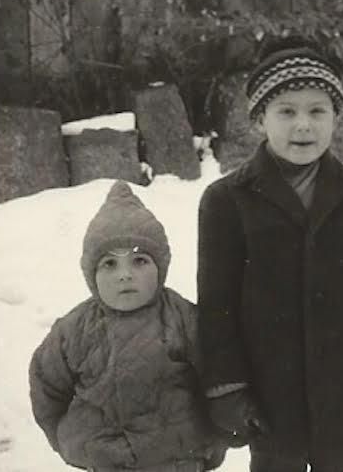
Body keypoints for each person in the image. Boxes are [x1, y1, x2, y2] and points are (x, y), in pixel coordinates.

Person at [197, 37, 343, 472]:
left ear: (337, 117)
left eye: (317, 110)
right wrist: (226, 389)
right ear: (260, 119)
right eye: (286, 111)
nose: (303, 125)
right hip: (269, 400)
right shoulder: (227, 200)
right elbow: (216, 305)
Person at [29, 180, 229, 472]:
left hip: (179, 460)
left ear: (160, 267)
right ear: (90, 274)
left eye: (139, 260)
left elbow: (218, 381)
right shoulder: (72, 331)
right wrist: (70, 439)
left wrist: (212, 440)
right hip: (108, 461)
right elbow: (47, 387)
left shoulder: (184, 320)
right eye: (110, 264)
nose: (125, 275)